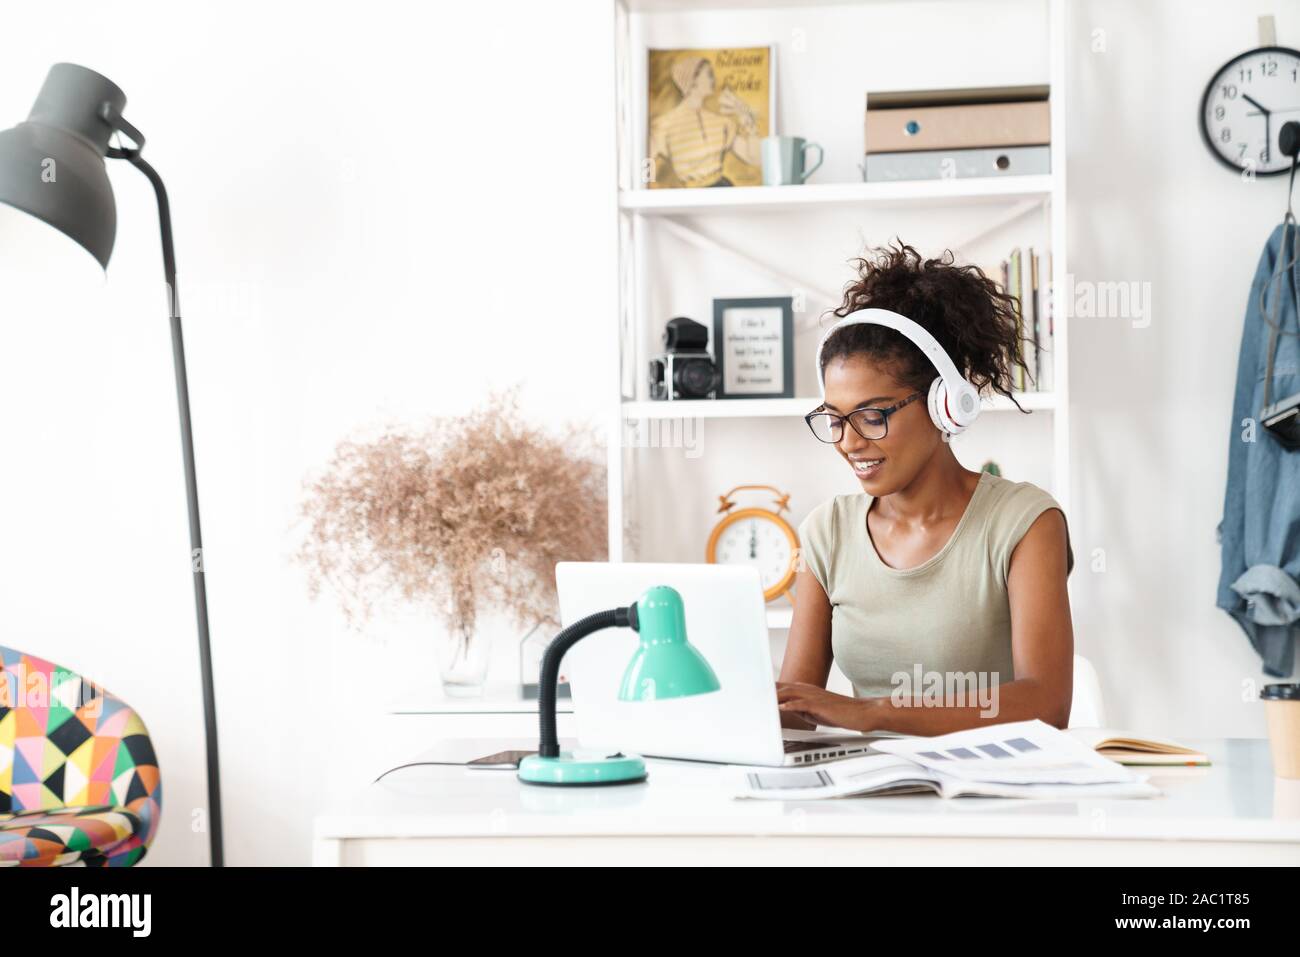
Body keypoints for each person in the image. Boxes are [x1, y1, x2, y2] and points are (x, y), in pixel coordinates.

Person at [777, 242, 1074, 735]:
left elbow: (1046, 703)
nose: (849, 442)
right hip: (869, 792)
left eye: (872, 416)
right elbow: (796, 714)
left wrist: (876, 713)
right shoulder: (827, 531)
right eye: (833, 418)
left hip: (994, 793)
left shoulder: (1025, 522)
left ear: (945, 405)